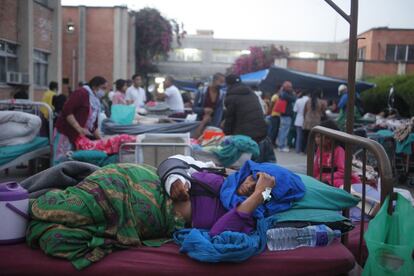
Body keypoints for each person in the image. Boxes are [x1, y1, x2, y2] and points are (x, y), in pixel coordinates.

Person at [54, 76, 107, 164]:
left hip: (77, 135)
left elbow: (93, 126)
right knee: (61, 159)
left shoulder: (95, 101)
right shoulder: (81, 93)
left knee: (71, 160)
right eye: (103, 88)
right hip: (66, 131)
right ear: (94, 86)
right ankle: (55, 177)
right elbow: (67, 111)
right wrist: (79, 128)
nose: (104, 92)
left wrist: (102, 141)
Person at [222, 74, 276, 163]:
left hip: (245, 134)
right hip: (261, 131)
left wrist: (226, 134)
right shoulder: (251, 93)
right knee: (258, 162)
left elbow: (230, 119)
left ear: (228, 84)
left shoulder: (231, 96)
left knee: (245, 163)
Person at [313, 120, 361, 187]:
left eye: (319, 137)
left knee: (337, 184)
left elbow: (343, 171)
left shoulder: (338, 150)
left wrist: (326, 178)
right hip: (322, 177)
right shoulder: (320, 149)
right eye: (316, 137)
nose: (316, 139)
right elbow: (316, 167)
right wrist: (313, 178)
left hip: (336, 178)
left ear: (329, 138)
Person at [276, 81, 296, 152]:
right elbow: (294, 99)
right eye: (290, 87)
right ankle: (281, 146)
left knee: (282, 130)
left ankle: (280, 145)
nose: (291, 88)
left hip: (283, 115)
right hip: (286, 115)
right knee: (284, 131)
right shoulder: (285, 94)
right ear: (286, 87)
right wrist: (293, 93)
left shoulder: (282, 93)